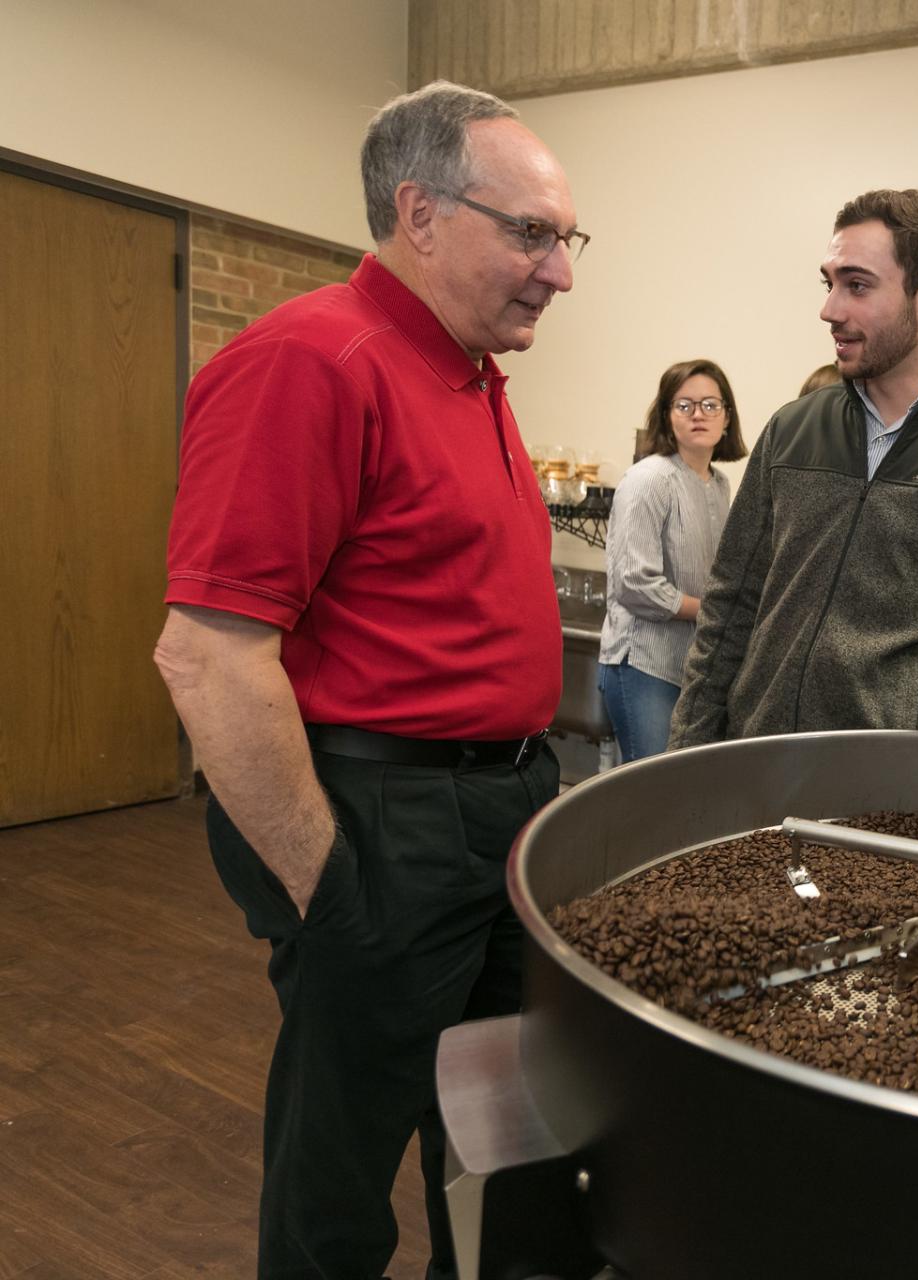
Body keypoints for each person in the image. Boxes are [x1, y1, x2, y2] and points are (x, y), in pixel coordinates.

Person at [151, 81, 583, 1280]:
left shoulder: (467, 372)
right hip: (387, 818)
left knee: (496, 1128)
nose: (559, 270)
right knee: (342, 1165)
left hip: (497, 810)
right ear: (422, 213)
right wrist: (328, 890)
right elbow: (208, 653)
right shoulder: (311, 359)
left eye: (566, 237)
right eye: (532, 233)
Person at [670, 188, 918, 745]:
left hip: (891, 792)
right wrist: (688, 752)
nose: (830, 310)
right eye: (830, 284)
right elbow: (730, 607)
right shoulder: (792, 431)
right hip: (757, 760)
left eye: (857, 285)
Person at [597, 359, 745, 761]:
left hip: (691, 667)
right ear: (667, 416)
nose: (699, 414)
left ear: (727, 417)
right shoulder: (650, 479)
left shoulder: (719, 485)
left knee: (678, 796)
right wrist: (712, 612)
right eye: (685, 405)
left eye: (711, 405)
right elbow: (634, 584)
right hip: (644, 665)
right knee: (651, 799)